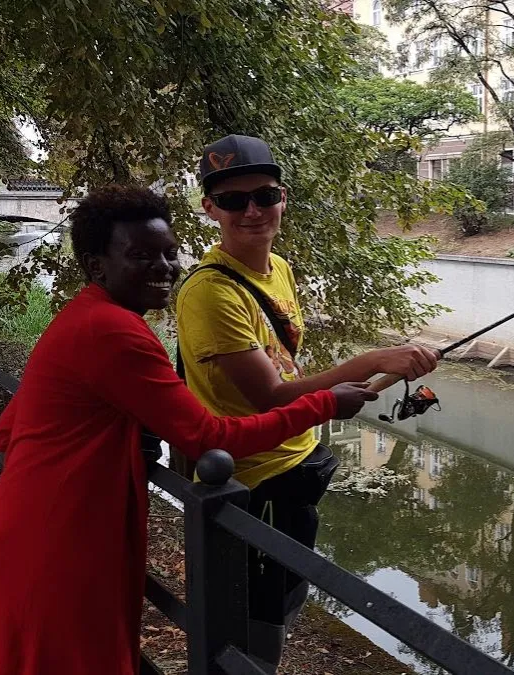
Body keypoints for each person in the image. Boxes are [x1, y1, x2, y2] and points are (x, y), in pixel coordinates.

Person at [0, 185, 377, 675]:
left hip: (20, 535)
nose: (164, 268)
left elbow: (8, 430)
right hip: (58, 552)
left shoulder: (82, 315)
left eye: (170, 253)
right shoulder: (115, 331)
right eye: (140, 255)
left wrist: (122, 427)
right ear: (97, 266)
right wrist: (324, 403)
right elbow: (211, 439)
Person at [176, 134, 439, 670]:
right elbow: (267, 395)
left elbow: (285, 367)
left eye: (265, 195)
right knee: (257, 618)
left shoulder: (279, 269)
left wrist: (372, 378)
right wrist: (368, 362)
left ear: (283, 199)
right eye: (233, 200)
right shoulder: (210, 292)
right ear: (210, 209)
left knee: (288, 597)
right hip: (250, 478)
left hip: (297, 462)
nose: (252, 210)